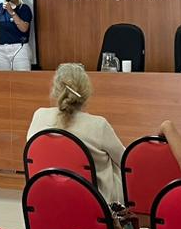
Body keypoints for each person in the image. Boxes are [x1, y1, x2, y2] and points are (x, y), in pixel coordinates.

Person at [27, 63, 125, 203]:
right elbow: (125, 162)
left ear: (55, 90)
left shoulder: (39, 116)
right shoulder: (98, 125)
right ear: (86, 91)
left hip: (45, 200)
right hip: (93, 205)